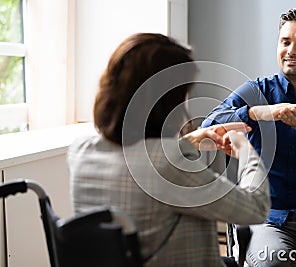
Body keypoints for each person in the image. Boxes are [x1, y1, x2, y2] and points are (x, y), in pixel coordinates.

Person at [68, 33, 271, 267]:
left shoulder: (80, 152)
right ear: (166, 102)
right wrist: (246, 149)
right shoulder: (168, 164)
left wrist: (191, 140)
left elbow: (145, 157)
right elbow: (256, 208)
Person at [202, 9, 296, 266]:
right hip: (265, 217)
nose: (291, 50)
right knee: (274, 261)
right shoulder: (255, 91)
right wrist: (258, 112)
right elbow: (210, 124)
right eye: (285, 42)